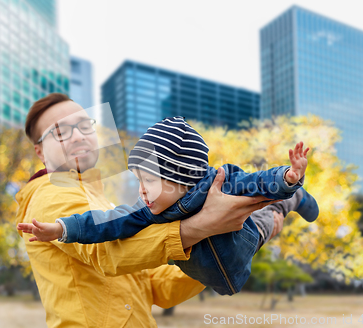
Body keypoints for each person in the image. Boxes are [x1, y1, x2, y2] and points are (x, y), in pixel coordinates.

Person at [16, 94, 286, 328]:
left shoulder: (98, 199)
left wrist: (226, 244)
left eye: (84, 125)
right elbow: (105, 253)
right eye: (61, 131)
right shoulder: (50, 195)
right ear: (40, 151)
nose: (78, 135)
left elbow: (158, 286)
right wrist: (203, 225)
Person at [18, 116, 319, 296]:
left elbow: (258, 181)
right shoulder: (145, 210)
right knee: (266, 211)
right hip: (221, 272)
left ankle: (295, 197)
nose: (141, 192)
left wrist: (288, 177)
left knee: (267, 209)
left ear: (180, 177)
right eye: (137, 180)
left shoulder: (220, 180)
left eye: (147, 180)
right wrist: (61, 228)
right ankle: (288, 199)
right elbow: (104, 222)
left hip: (245, 239)